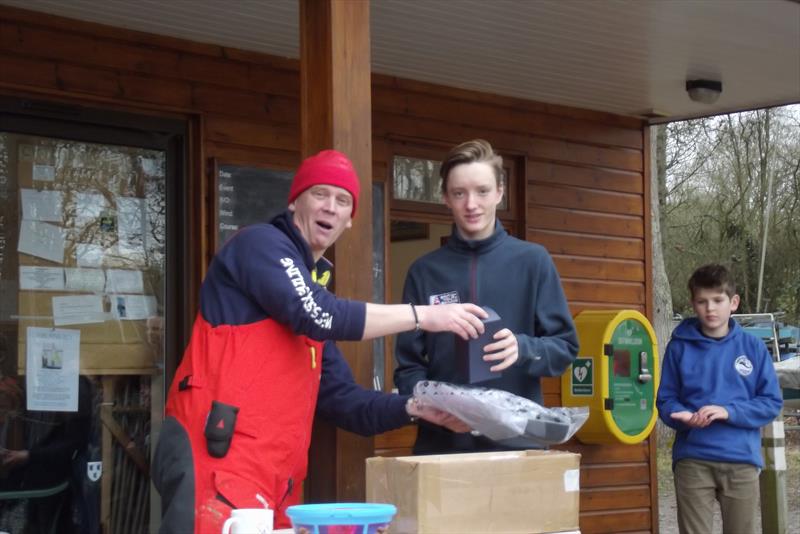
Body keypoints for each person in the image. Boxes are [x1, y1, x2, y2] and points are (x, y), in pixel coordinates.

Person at [152, 149, 487, 533]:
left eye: (342, 200)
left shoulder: (312, 299)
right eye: (319, 194)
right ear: (295, 201)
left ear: (349, 220)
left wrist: (416, 407)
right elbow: (316, 312)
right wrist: (422, 315)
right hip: (216, 461)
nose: (330, 206)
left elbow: (344, 401)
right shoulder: (259, 245)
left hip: (278, 482)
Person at [393, 139, 579, 454]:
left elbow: (564, 348)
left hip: (520, 446)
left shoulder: (533, 261)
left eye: (481, 191)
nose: (471, 204)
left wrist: (523, 347)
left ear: (499, 192)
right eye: (459, 193)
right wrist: (431, 404)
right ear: (445, 198)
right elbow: (408, 369)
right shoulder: (424, 272)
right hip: (441, 447)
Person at [656, 264, 782, 534]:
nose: (710, 308)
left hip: (742, 459)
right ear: (693, 304)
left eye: (717, 300)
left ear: (733, 302)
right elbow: (666, 400)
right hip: (693, 459)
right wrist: (683, 416)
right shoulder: (678, 346)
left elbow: (771, 403)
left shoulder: (754, 348)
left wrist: (728, 411)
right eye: (702, 301)